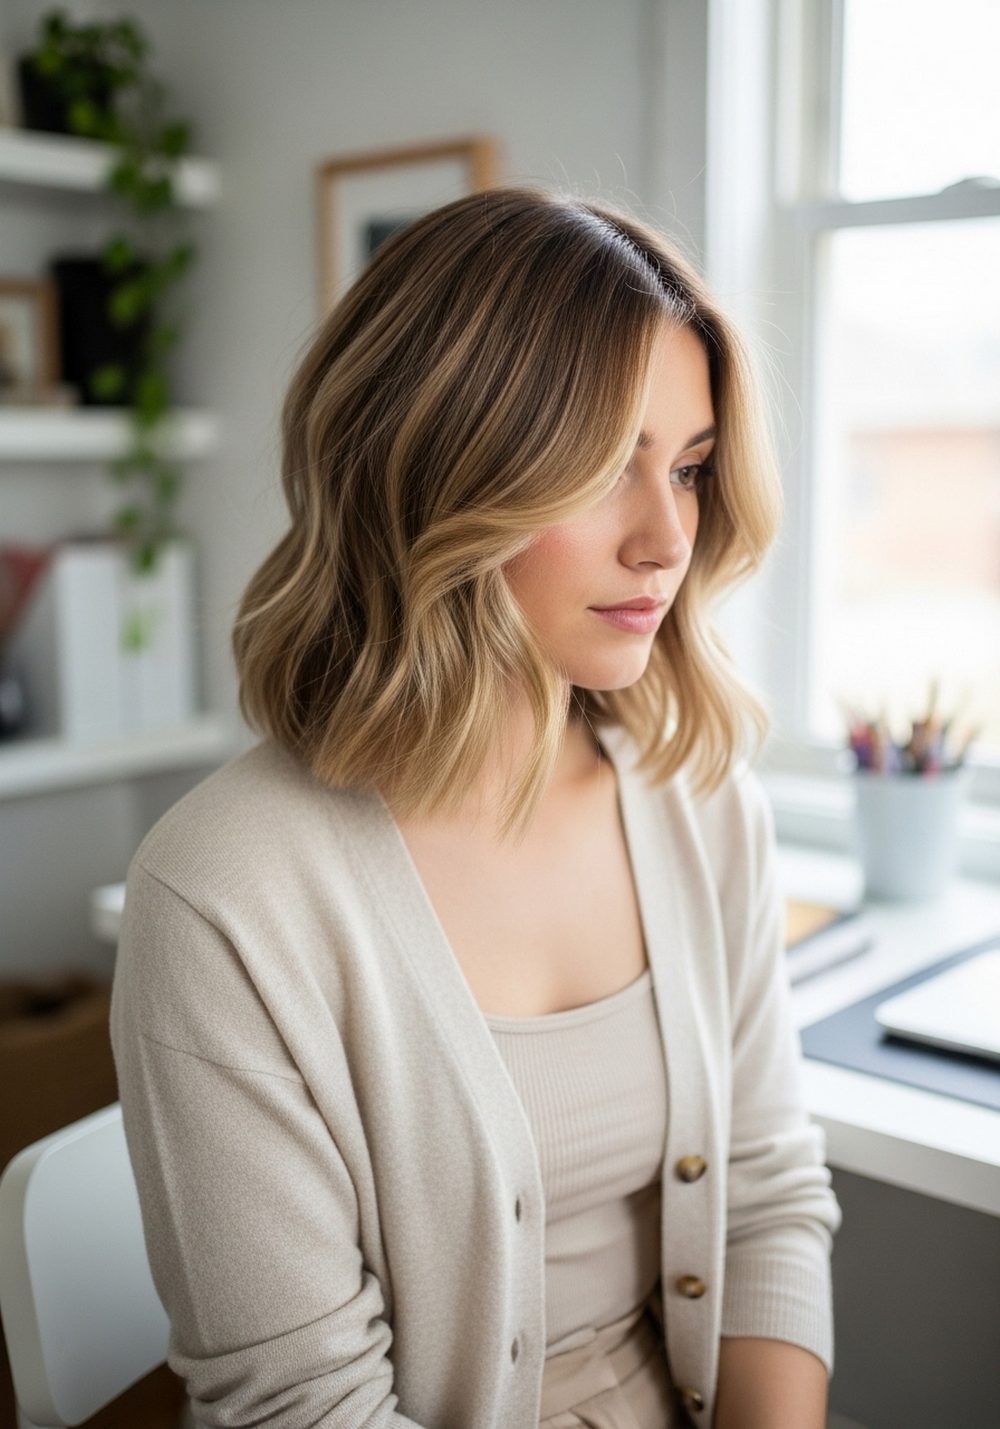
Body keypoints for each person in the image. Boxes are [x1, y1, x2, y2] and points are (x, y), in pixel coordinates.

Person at [110, 185, 842, 1429]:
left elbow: (767, 1196)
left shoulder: (701, 802)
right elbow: (303, 1405)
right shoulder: (226, 895)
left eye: (691, 466)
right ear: (437, 469)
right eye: (607, 466)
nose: (668, 537)